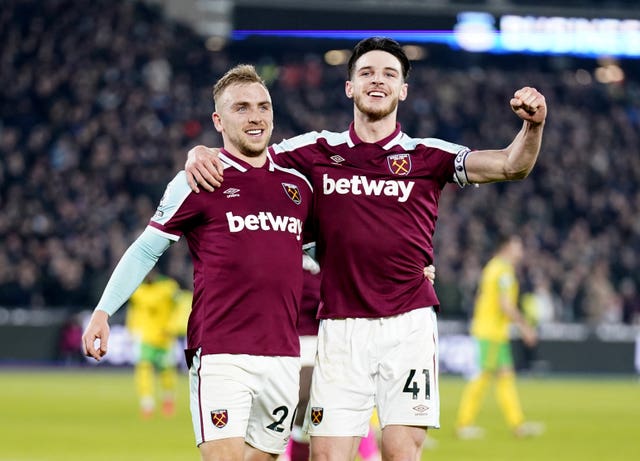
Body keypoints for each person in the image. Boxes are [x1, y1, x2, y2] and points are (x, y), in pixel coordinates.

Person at [185, 37, 547, 461]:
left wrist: (533, 126)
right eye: (367, 73)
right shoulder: (314, 152)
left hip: (408, 324)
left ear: (403, 90)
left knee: (399, 452)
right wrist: (201, 151)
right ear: (349, 87)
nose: (378, 81)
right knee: (326, 456)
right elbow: (247, 155)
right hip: (340, 328)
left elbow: (510, 165)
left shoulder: (427, 156)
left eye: (389, 74)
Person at [82, 64, 314, 461]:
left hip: (283, 355)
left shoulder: (298, 187)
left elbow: (323, 252)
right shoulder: (200, 178)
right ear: (218, 120)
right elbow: (146, 249)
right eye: (241, 108)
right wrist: (104, 311)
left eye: (263, 106)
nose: (255, 116)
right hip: (222, 351)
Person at [455, 233, 544, 439]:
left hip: (493, 332)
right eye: (517, 246)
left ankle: (518, 425)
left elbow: (481, 297)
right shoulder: (502, 271)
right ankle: (463, 424)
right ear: (506, 248)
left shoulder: (493, 268)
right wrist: (525, 327)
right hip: (490, 333)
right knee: (481, 377)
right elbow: (505, 304)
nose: (521, 250)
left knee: (505, 378)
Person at [125, 269, 191, 419]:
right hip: (145, 338)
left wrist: (174, 326)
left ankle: (168, 400)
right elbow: (134, 312)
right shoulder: (138, 291)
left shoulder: (168, 288)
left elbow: (184, 303)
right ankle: (147, 404)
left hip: (165, 337)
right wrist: (131, 330)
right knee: (143, 369)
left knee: (166, 372)